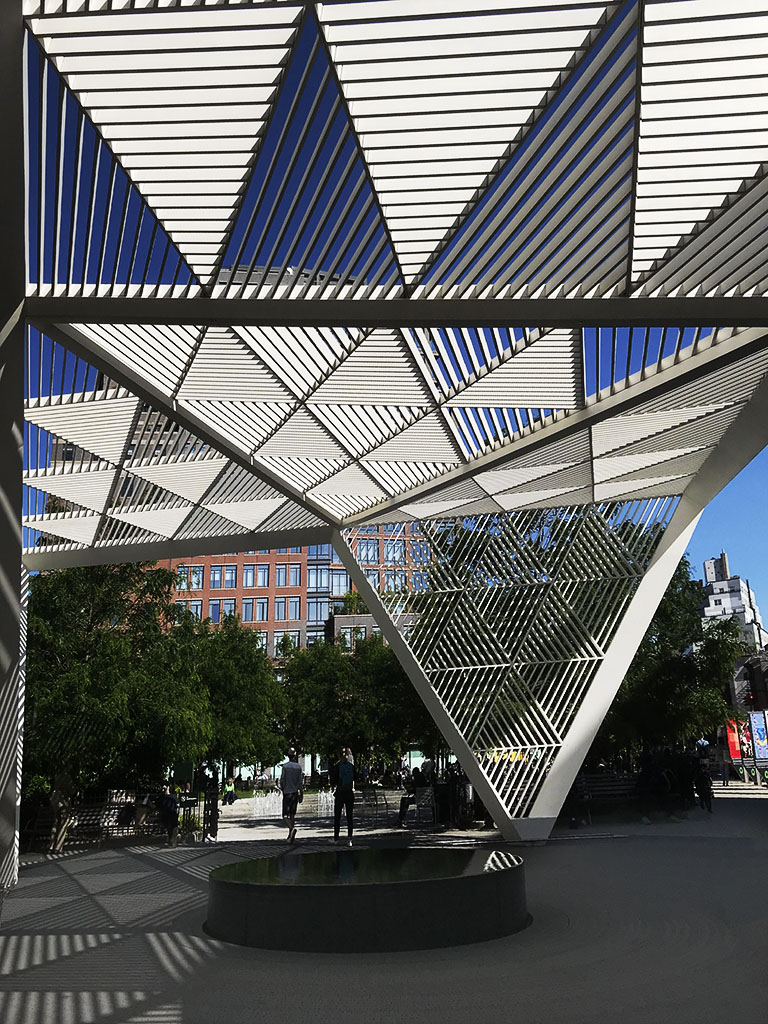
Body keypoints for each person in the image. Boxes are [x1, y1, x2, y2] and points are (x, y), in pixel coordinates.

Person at [279, 749, 304, 844]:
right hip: (294, 793)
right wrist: (301, 794)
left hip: (287, 793)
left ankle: (291, 829)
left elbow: (282, 780)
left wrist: (282, 788)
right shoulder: (298, 767)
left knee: (285, 815)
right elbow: (299, 782)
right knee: (292, 815)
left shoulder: (285, 767)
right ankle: (290, 835)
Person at [332, 748, 355, 846]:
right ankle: (350, 838)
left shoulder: (337, 766)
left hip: (340, 792)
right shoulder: (351, 766)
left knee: (337, 816)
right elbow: (355, 777)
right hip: (349, 792)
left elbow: (334, 781)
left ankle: (336, 838)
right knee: (349, 816)